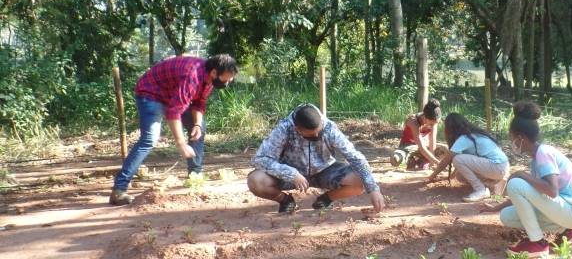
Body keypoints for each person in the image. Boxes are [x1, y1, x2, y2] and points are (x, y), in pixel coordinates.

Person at [109, 54, 238, 205]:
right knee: (149, 139)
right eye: (226, 78)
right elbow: (173, 111)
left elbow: (198, 103)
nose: (228, 82)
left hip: (172, 94)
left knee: (200, 127)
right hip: (151, 93)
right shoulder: (193, 77)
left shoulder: (209, 78)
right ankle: (119, 189)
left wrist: (196, 125)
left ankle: (195, 178)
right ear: (215, 72)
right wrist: (181, 143)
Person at [479, 101, 572, 257]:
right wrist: (496, 207)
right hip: (568, 210)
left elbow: (552, 191)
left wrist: (521, 174)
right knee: (507, 215)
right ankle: (569, 231)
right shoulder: (536, 159)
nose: (512, 142)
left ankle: (537, 243)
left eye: (512, 137)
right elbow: (528, 195)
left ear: (521, 137)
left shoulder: (544, 153)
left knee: (516, 182)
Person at [248, 103, 385, 214]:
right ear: (298, 129)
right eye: (312, 135)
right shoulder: (284, 128)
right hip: (290, 175)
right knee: (256, 180)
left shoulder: (329, 128)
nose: (318, 135)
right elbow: (260, 158)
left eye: (319, 131)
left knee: (360, 180)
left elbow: (355, 157)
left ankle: (325, 199)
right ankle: (285, 200)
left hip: (325, 170)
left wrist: (373, 189)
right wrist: (291, 173)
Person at [427, 112, 509, 202]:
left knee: (458, 159)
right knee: (460, 176)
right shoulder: (474, 134)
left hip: (496, 166)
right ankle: (493, 184)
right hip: (501, 166)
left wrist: (432, 176)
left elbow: (446, 160)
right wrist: (452, 176)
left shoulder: (464, 138)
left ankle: (480, 190)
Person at [390, 98, 445, 170]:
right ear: (425, 117)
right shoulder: (413, 121)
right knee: (395, 159)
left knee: (444, 150)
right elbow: (421, 147)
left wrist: (432, 162)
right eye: (431, 124)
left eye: (435, 124)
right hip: (408, 147)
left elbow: (432, 141)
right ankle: (409, 161)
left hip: (424, 147)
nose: (433, 126)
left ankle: (422, 162)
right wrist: (437, 162)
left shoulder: (434, 122)